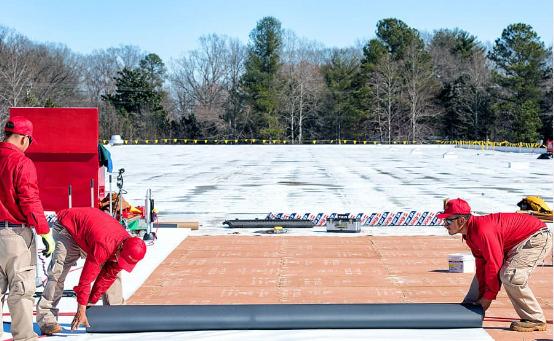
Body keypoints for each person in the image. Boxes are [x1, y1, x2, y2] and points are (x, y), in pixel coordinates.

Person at [439, 198, 552, 332]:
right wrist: (479, 299)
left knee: (510, 276)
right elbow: (482, 267)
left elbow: (494, 265)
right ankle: (469, 308)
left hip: (536, 238)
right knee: (485, 272)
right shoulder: (469, 235)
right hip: (517, 240)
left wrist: (487, 299)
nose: (445, 224)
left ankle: (535, 319)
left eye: (448, 220)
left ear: (461, 220)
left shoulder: (482, 231)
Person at [36, 207, 147, 335]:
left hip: (90, 235)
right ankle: (46, 318)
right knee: (58, 272)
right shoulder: (104, 244)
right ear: (121, 248)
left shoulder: (128, 247)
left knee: (114, 274)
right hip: (68, 228)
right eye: (121, 258)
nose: (121, 262)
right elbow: (86, 279)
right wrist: (81, 308)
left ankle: (114, 314)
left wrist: (89, 304)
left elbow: (107, 276)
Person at [0, 116, 54, 341]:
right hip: (15, 235)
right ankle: (24, 337)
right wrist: (44, 231)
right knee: (21, 290)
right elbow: (29, 199)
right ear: (23, 138)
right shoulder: (21, 162)